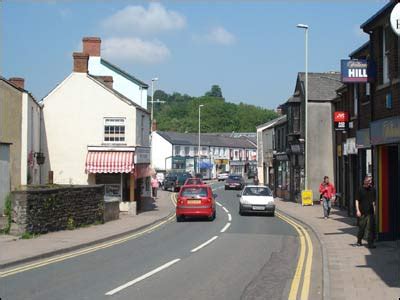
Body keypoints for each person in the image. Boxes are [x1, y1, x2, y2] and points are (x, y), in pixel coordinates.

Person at [355, 176, 376, 248]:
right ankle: (359, 240)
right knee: (362, 228)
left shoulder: (373, 189)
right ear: (365, 181)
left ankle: (370, 243)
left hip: (370, 212)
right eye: (369, 180)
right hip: (362, 212)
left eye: (371, 181)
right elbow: (357, 200)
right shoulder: (360, 189)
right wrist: (357, 210)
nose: (370, 182)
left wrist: (374, 211)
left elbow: (373, 202)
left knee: (370, 228)